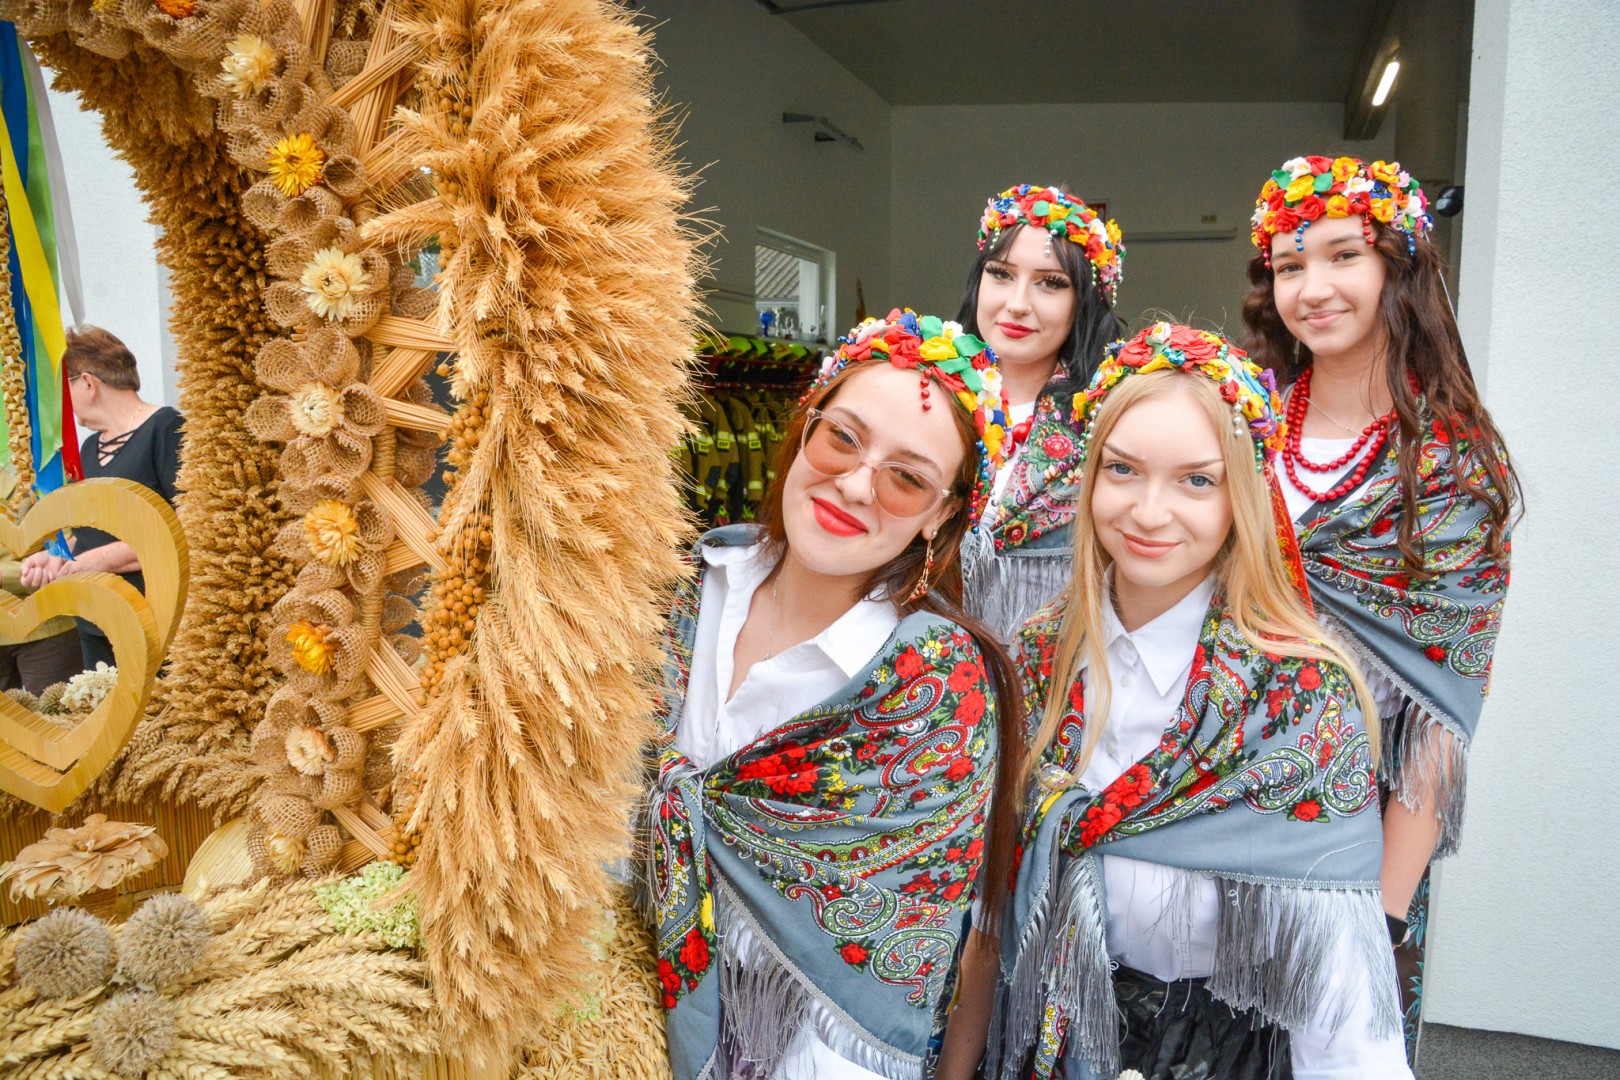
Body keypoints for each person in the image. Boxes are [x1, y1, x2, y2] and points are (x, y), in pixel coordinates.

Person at [951, 323, 1410, 1080]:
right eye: (1123, 470)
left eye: (1196, 480)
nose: (1149, 512)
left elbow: (1340, 1002)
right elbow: (989, 919)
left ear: (1242, 498)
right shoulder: (1033, 660)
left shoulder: (1296, 695)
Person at [642, 310, 1023, 1079]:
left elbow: (878, 982)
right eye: (840, 438)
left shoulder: (932, 690)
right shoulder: (671, 591)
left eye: (907, 478)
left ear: (943, 516)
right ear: (803, 428)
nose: (853, 484)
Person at [1242, 156, 1518, 1049]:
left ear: (1400, 270)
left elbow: (1442, 708)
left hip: (1358, 844)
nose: (1312, 288)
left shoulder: (1451, 466)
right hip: (1220, 800)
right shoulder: (1246, 427)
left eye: (1342, 256)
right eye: (1290, 265)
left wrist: (1385, 911)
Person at [954, 184, 1125, 642]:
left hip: (1060, 673)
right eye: (1001, 274)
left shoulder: (1109, 419)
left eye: (1050, 283)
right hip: (925, 668)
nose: (1017, 303)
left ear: (1085, 301)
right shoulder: (929, 398)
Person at [19, 326, 183, 670]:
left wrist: (101, 560)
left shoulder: (166, 428)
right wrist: (56, 558)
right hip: (97, 620)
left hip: (156, 620)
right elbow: (90, 529)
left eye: (62, 392)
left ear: (89, 383)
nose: (59, 407)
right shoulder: (90, 448)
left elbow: (189, 529)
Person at [0, 465, 82, 694]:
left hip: (47, 625)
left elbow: (66, 549)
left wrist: (7, 576)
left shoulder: (40, 464)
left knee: (58, 722)